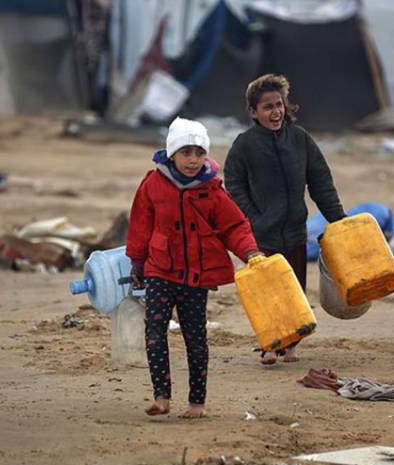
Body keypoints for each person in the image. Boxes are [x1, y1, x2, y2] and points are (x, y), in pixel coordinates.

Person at [126, 117, 263, 419]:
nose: (193, 160)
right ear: (172, 153)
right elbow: (140, 225)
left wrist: (249, 251)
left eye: (199, 153)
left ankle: (197, 403)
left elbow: (235, 226)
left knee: (196, 339)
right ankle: (161, 397)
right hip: (160, 270)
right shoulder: (153, 184)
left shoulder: (212, 190)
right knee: (154, 334)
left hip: (195, 277)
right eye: (186, 152)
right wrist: (137, 261)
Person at [223, 73, 347, 365]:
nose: (276, 111)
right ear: (253, 112)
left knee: (294, 290)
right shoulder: (244, 145)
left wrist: (339, 221)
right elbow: (234, 186)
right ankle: (269, 343)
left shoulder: (301, 140)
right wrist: (252, 219)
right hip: (260, 237)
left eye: (279, 104)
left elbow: (321, 184)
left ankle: (291, 344)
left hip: (294, 233)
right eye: (267, 107)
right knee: (266, 293)